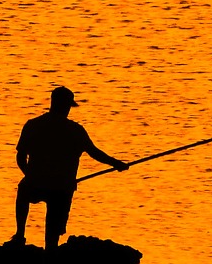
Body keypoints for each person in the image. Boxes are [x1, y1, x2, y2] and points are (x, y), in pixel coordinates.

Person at [10, 86, 128, 250]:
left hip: (38, 184)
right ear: (65, 106)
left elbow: (20, 157)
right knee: (52, 234)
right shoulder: (75, 130)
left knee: (24, 188)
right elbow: (94, 152)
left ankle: (19, 235)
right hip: (62, 188)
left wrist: (31, 175)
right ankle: (49, 253)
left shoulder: (33, 125)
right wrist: (116, 163)